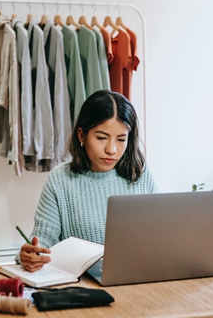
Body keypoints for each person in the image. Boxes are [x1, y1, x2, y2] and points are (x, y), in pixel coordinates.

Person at [19, 90, 158, 272]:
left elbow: (160, 233)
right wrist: (31, 255)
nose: (112, 149)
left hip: (138, 277)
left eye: (121, 139)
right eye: (101, 138)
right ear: (82, 136)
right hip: (82, 285)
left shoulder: (140, 173)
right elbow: (43, 241)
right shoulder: (60, 180)